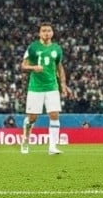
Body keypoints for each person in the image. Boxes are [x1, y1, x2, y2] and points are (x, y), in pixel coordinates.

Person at [20, 22, 72, 155]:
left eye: (49, 30)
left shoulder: (57, 49)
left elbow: (59, 67)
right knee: (32, 118)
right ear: (39, 33)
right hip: (35, 87)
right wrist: (33, 68)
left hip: (52, 87)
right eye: (43, 31)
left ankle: (52, 147)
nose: (46, 33)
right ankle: (25, 140)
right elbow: (23, 66)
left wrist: (64, 85)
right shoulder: (32, 47)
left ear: (52, 33)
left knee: (54, 115)